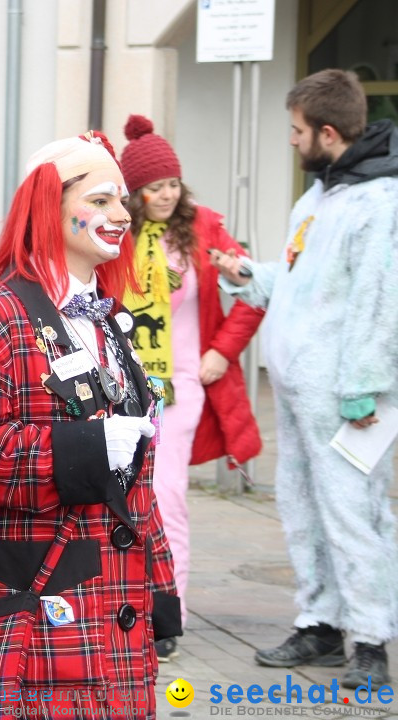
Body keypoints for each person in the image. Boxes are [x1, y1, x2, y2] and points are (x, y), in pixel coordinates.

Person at [0, 131, 180, 718]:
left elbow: (138, 482)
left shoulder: (112, 322)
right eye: (101, 200)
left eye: (122, 201)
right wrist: (86, 447)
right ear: (48, 206)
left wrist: (159, 590)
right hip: (28, 624)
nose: (121, 215)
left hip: (113, 619)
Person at [212, 68, 398, 690]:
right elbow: (301, 282)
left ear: (326, 131)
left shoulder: (379, 205)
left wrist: (363, 388)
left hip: (347, 400)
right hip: (298, 392)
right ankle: (320, 622)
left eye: (295, 131)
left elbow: (380, 304)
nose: (290, 142)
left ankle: (370, 640)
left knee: (354, 515)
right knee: (301, 509)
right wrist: (249, 276)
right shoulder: (317, 198)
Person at [118, 114, 265, 662]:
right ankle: (116, 604)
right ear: (134, 192)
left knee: (167, 496)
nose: (165, 195)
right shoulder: (116, 230)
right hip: (121, 388)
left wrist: (221, 352)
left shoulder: (203, 228)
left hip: (180, 386)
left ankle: (166, 612)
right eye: (154, 187)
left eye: (172, 184)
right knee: (117, 498)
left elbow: (254, 292)